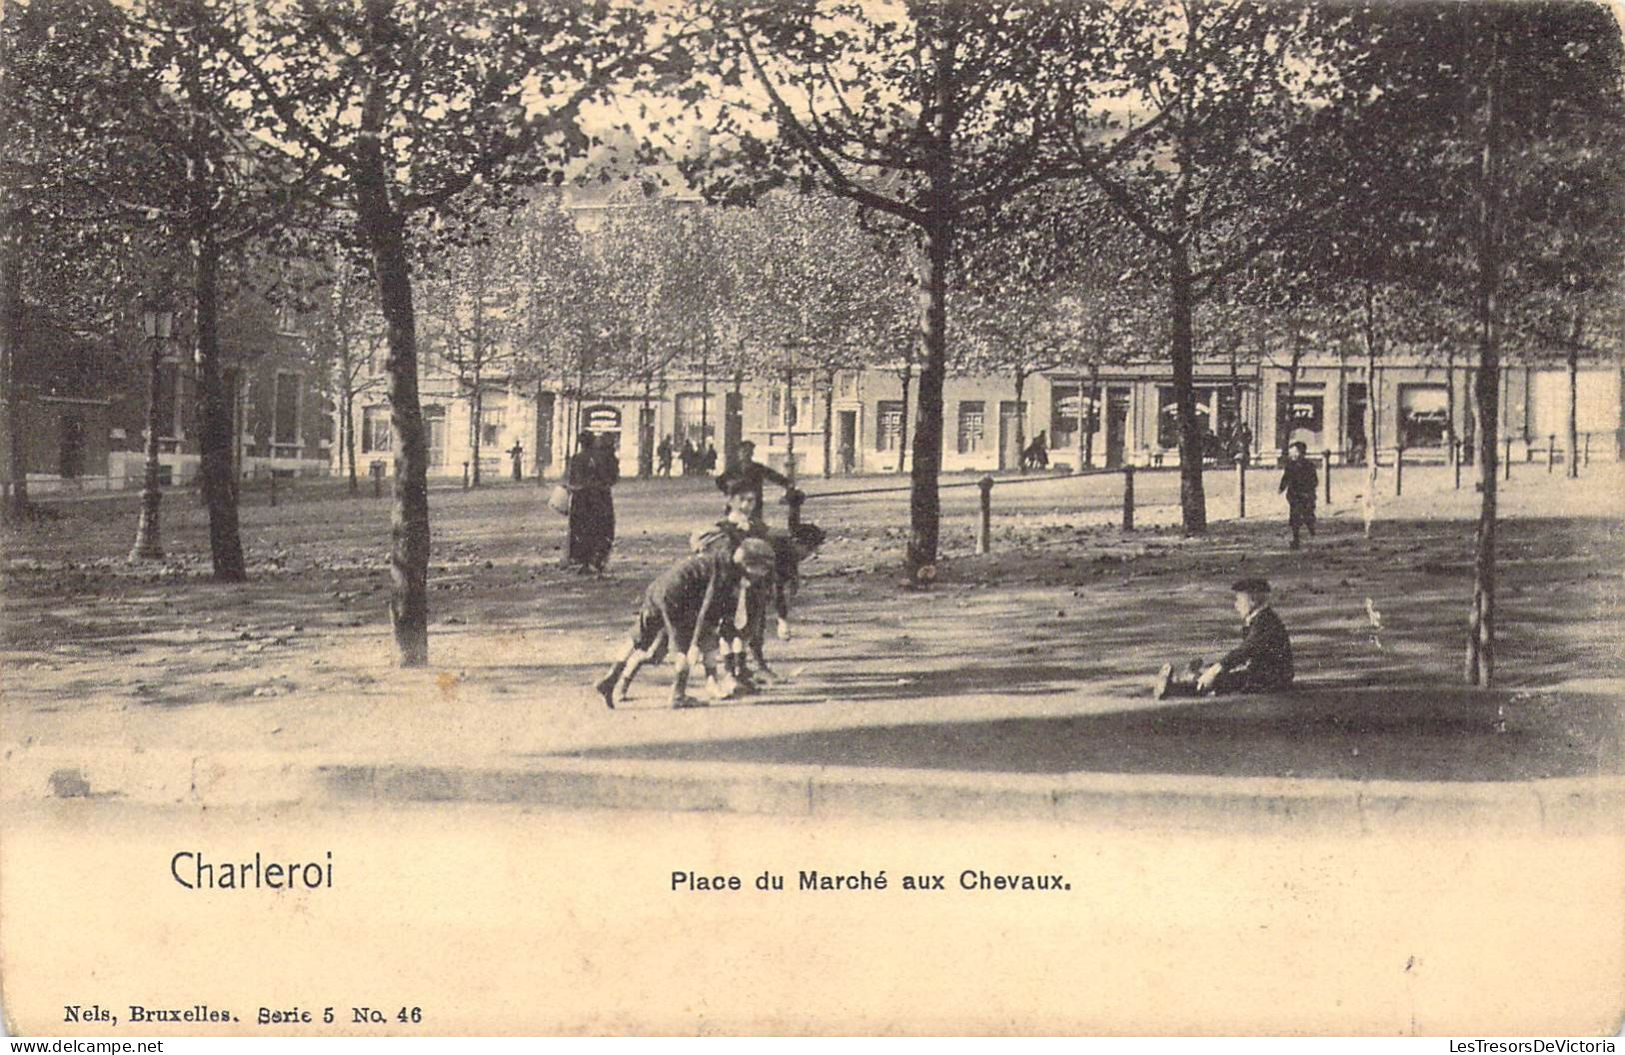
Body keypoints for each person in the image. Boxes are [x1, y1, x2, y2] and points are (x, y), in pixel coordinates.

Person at [595, 537, 776, 709]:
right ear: (750, 564)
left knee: (638, 636)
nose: (764, 574)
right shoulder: (725, 573)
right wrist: (697, 640)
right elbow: (708, 604)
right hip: (678, 598)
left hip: (659, 589)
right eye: (763, 569)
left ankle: (611, 677)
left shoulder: (720, 558)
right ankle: (678, 694)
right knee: (684, 644)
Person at [1153, 578, 1294, 699]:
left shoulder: (1264, 622)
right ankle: (1185, 681)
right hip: (1267, 674)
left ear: (1253, 600)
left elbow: (1244, 651)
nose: (1236, 605)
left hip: (1271, 678)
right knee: (1221, 676)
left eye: (1239, 600)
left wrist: (1215, 670)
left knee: (1219, 681)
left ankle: (1174, 688)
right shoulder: (1262, 619)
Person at [564, 430, 617, 573]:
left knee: (581, 528)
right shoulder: (603, 458)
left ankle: (583, 560)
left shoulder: (576, 458)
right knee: (602, 527)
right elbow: (612, 478)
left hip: (581, 498)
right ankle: (599, 558)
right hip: (600, 497)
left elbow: (571, 480)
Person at [716, 439, 792, 513]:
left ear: (752, 454)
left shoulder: (757, 468)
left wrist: (787, 483)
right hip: (737, 503)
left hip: (754, 504)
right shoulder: (734, 469)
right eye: (743, 452)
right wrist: (728, 491)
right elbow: (720, 481)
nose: (746, 455)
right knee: (734, 522)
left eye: (749, 452)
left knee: (754, 523)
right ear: (739, 453)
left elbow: (773, 475)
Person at [1279, 440, 1318, 549]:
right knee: (1294, 517)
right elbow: (1285, 478)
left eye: (1295, 452)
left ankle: (1312, 531)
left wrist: (1309, 491)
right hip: (1294, 495)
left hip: (1306, 495)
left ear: (1302, 453)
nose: (1293, 454)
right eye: (1291, 452)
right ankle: (1295, 539)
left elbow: (1314, 481)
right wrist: (1281, 488)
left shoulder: (1309, 465)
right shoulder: (1290, 465)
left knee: (1308, 514)